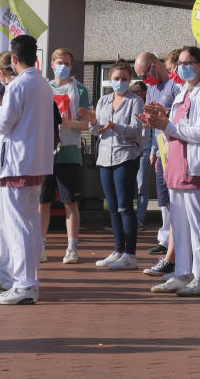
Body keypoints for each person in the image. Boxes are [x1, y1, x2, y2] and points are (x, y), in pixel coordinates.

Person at [140, 46, 200, 297]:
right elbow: (172, 129)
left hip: (195, 168)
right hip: (175, 167)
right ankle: (182, 273)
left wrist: (169, 125)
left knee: (198, 226)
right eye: (180, 64)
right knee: (180, 225)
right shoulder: (181, 94)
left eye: (188, 63)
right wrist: (157, 122)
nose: (182, 68)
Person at [0, 35, 55, 305]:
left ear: (14, 59)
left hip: (17, 162)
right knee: (27, 223)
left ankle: (25, 283)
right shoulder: (43, 84)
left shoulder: (18, 86)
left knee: (18, 225)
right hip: (32, 161)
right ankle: (18, 278)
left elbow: (3, 124)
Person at [79, 61, 144, 269]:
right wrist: (92, 122)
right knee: (113, 206)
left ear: (130, 80)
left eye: (125, 79)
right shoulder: (104, 100)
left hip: (126, 155)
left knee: (125, 205)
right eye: (116, 78)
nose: (120, 82)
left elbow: (136, 130)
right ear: (110, 79)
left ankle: (130, 254)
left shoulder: (135, 101)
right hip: (105, 156)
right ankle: (118, 250)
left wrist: (114, 126)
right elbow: (96, 131)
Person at [134, 51, 181, 275]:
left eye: (145, 75)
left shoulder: (175, 85)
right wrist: (152, 142)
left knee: (177, 203)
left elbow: (184, 116)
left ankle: (175, 256)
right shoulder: (152, 88)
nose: (145, 82)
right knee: (165, 200)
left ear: (154, 65)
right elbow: (155, 125)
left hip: (178, 151)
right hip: (161, 151)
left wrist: (164, 115)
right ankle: (169, 248)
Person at [42, 47, 90, 265]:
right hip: (44, 151)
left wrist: (71, 123)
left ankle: (72, 247)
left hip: (70, 150)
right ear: (52, 64)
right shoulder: (43, 88)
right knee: (43, 201)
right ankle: (40, 245)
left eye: (67, 63)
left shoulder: (79, 90)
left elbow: (87, 122)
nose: (63, 67)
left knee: (70, 201)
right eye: (59, 62)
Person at [130, 80, 153, 229]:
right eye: (135, 91)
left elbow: (152, 133)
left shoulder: (149, 109)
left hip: (144, 151)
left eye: (140, 91)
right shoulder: (129, 106)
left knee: (141, 187)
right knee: (126, 186)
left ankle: (139, 219)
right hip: (130, 150)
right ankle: (126, 219)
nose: (137, 94)